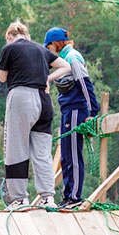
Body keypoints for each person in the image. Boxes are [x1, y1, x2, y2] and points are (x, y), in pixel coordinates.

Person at [0, 20, 70, 209]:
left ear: (9, 37)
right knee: (42, 152)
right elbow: (65, 67)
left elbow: (2, 77)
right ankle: (48, 197)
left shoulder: (10, 49)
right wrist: (46, 78)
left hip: (21, 97)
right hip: (44, 101)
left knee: (16, 148)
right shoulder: (41, 50)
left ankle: (20, 198)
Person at [42, 27, 100, 209]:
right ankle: (68, 196)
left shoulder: (73, 57)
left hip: (77, 109)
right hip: (67, 110)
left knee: (73, 154)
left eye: (49, 46)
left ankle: (75, 197)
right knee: (66, 154)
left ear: (56, 44)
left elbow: (85, 84)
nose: (48, 50)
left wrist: (92, 113)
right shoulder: (63, 59)